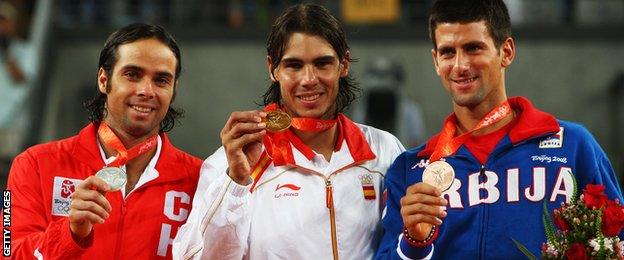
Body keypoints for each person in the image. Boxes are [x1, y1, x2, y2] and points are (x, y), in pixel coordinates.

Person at [376, 0, 624, 259]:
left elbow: (618, 243)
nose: (460, 65)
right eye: (448, 52)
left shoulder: (572, 147)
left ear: (506, 51)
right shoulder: (411, 169)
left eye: (473, 48)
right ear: (436, 61)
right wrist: (414, 244)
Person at [173, 4, 404, 260]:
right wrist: (234, 183)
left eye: (322, 63)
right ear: (273, 69)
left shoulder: (384, 150)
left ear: (344, 64)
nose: (308, 79)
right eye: (294, 65)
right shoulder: (233, 162)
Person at [7, 23, 202, 259]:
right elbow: (7, 253)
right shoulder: (34, 164)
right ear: (103, 80)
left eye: (161, 80)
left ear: (173, 90)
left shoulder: (200, 179)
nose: (146, 90)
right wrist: (70, 232)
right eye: (132, 74)